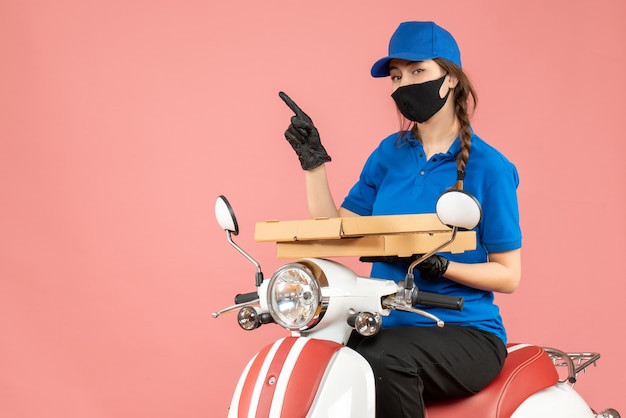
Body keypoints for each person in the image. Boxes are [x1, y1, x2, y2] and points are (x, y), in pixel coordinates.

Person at [279, 21, 521, 418]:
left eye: (417, 71)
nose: (404, 83)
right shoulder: (389, 153)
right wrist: (313, 165)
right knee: (319, 355)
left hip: (464, 332)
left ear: (450, 80)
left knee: (381, 359)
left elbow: (509, 276)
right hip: (384, 322)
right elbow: (338, 229)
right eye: (396, 76)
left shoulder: (489, 167)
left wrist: (442, 265)